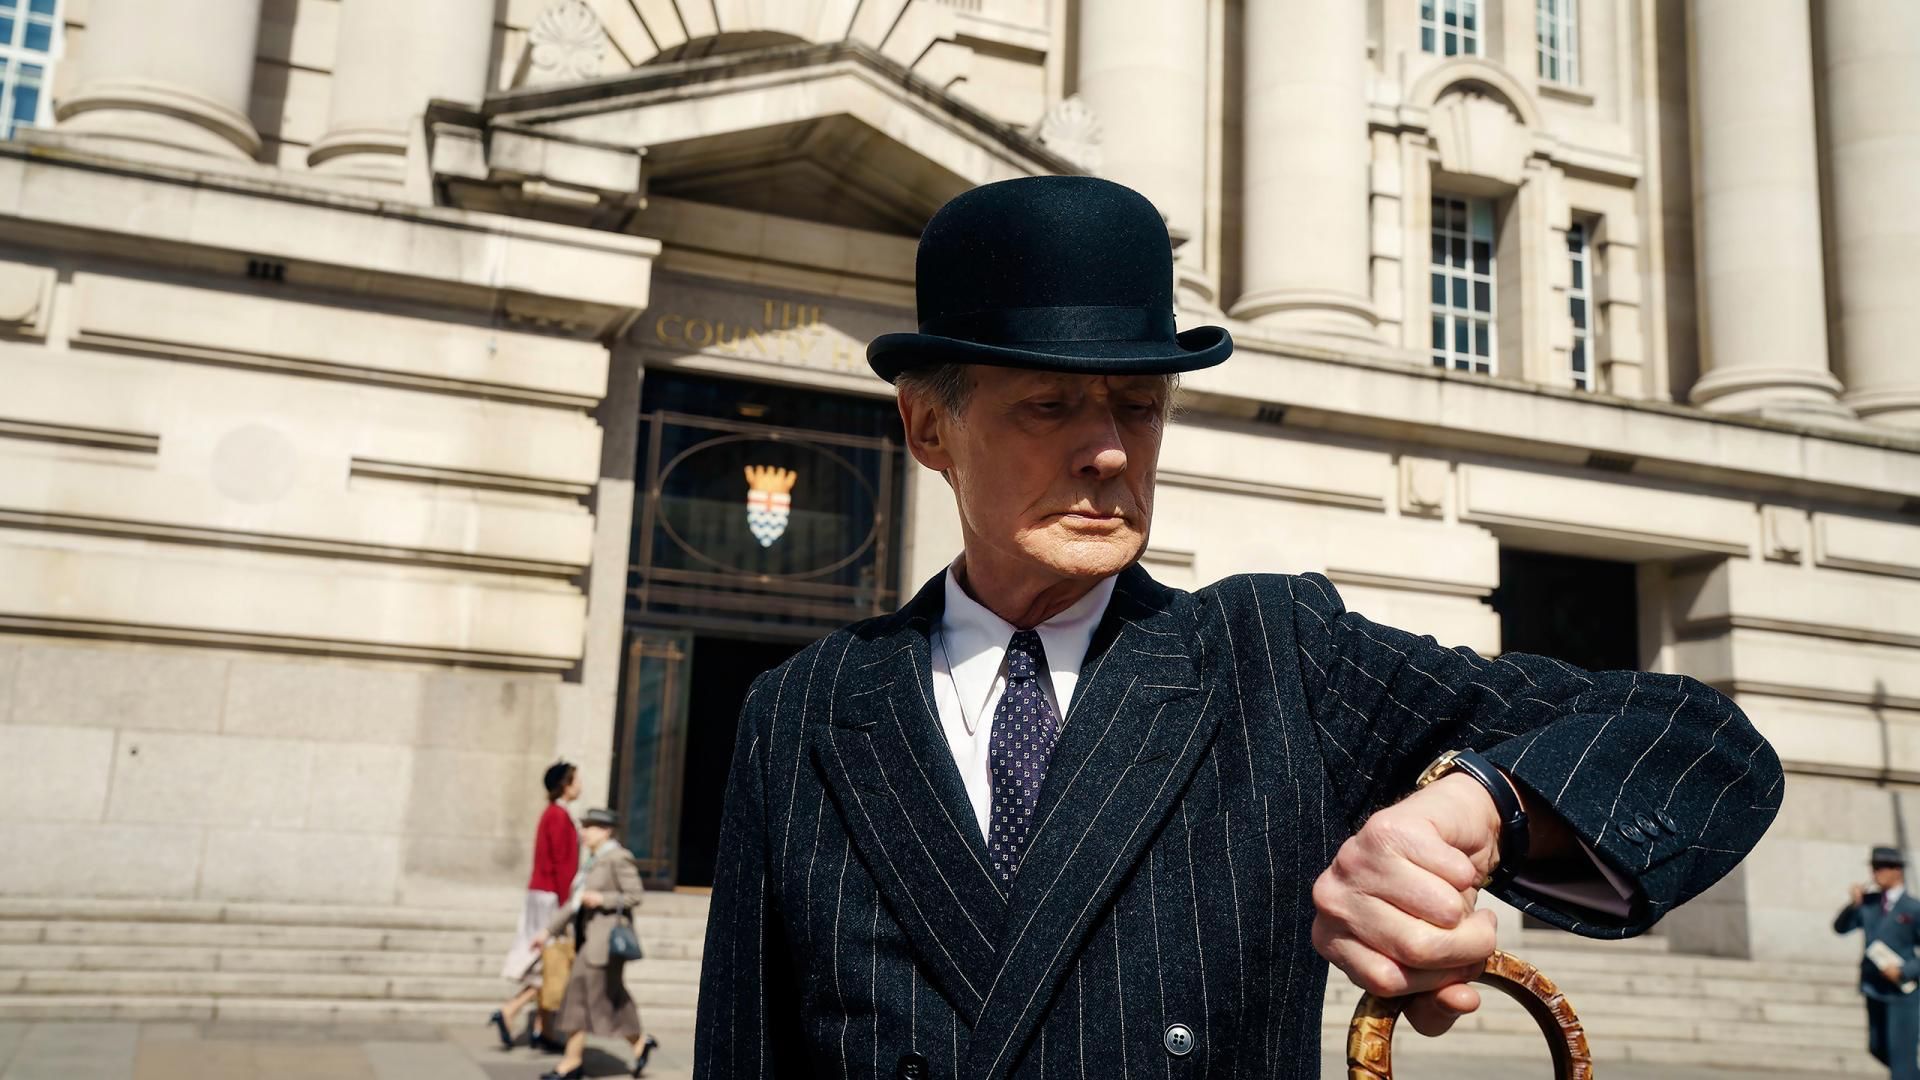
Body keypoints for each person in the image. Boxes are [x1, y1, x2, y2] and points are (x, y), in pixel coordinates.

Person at [691, 175, 1785, 1080]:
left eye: (1139, 405)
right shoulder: (804, 713)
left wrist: (1482, 806)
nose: (1111, 449)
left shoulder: (1271, 657)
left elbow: (1694, 739)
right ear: (930, 426)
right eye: (1052, 404)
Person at [533, 808, 659, 1080]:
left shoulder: (618, 858)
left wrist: (603, 899)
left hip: (605, 943)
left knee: (579, 997)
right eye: (584, 826)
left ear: (606, 830)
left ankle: (571, 1062)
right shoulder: (592, 861)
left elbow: (634, 895)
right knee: (611, 1000)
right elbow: (574, 903)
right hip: (589, 941)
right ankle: (639, 1043)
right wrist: (547, 931)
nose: (583, 832)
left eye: (589, 827)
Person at [491, 760, 581, 1052]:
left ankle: (544, 1029)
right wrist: (567, 903)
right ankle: (511, 1010)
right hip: (550, 895)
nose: (580, 785)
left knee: (548, 960)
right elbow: (560, 863)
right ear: (565, 784)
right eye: (576, 780)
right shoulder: (557, 816)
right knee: (550, 961)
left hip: (544, 892)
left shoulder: (556, 814)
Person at [1837, 846, 1920, 1079]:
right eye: (1874, 868)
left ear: (1897, 870)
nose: (1876, 873)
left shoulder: (1913, 908)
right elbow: (1840, 928)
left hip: (1903, 992)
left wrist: (1906, 970)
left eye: (1882, 868)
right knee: (1877, 1047)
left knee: (1901, 1058)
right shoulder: (1869, 903)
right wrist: (1853, 904)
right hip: (1874, 988)